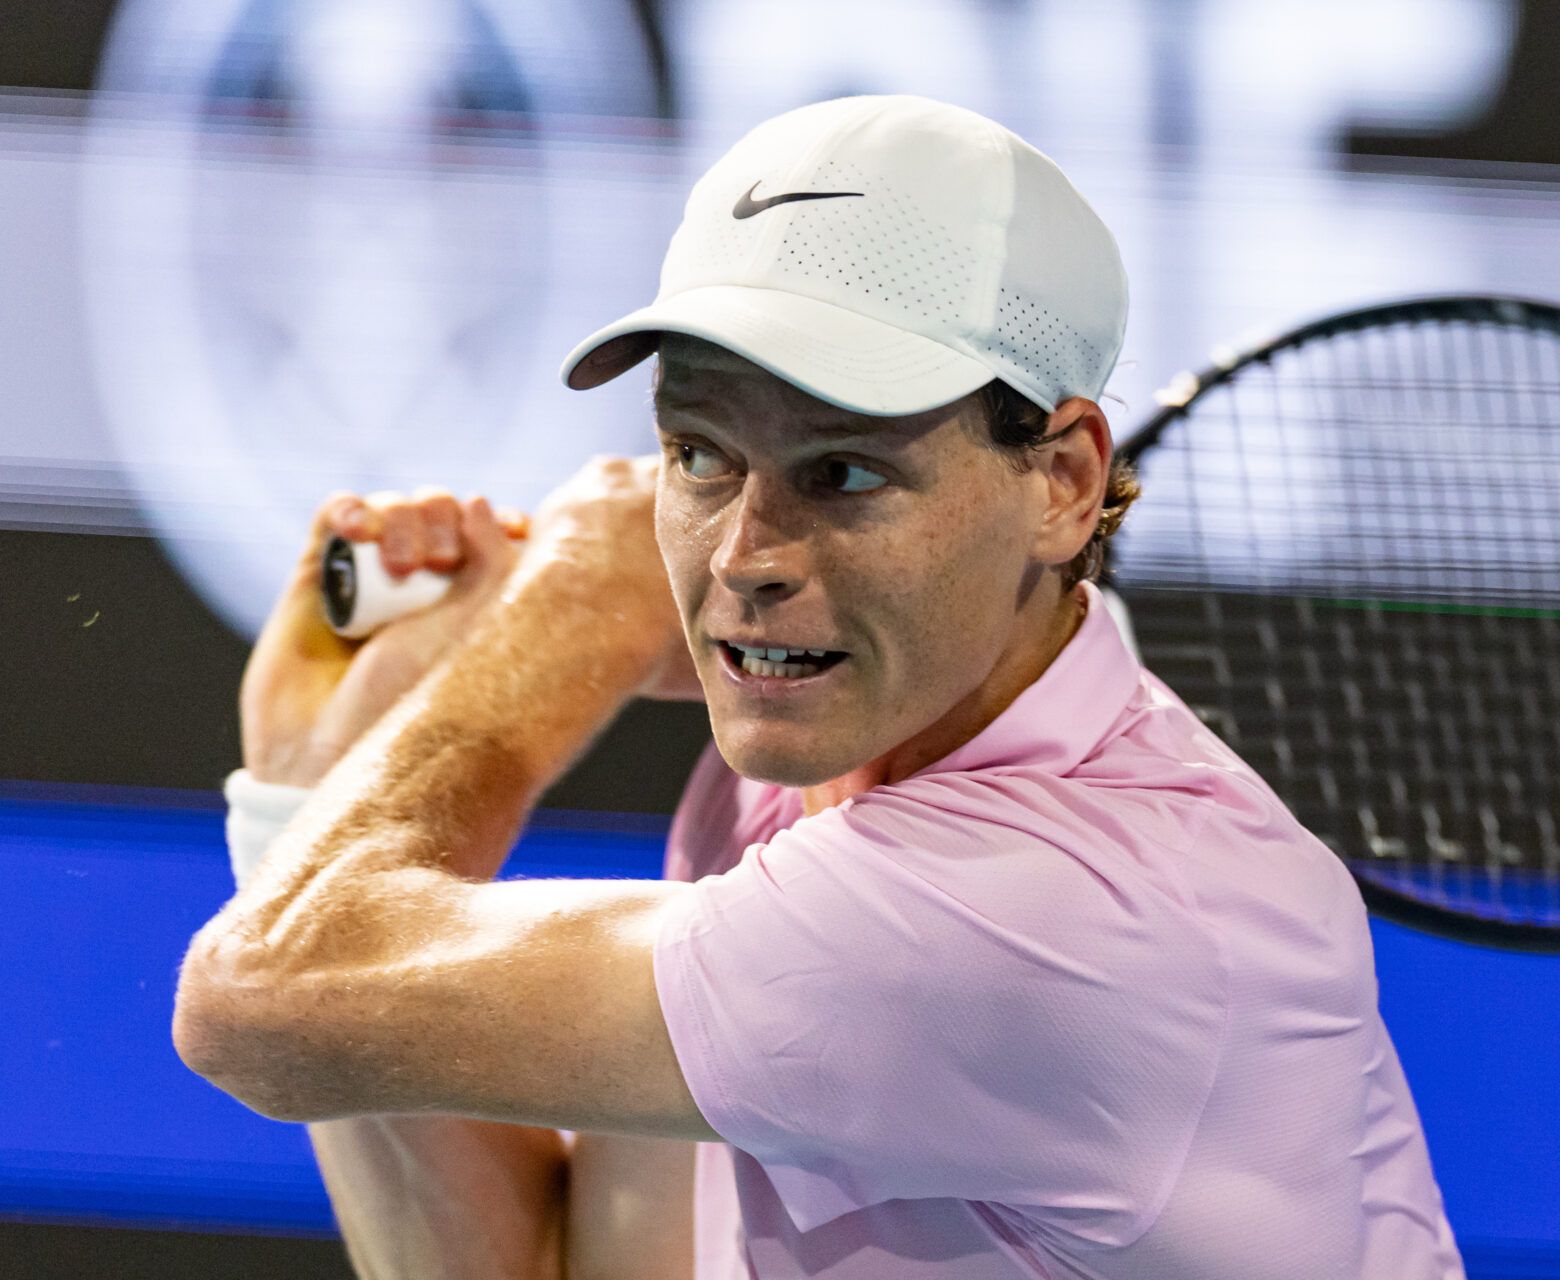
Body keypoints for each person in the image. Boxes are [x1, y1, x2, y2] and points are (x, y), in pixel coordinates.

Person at [175, 95, 1463, 1280]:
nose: (743, 557)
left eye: (844, 471)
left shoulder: (1048, 916)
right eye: (699, 453)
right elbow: (552, 1264)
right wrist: (314, 783)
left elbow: (264, 1004)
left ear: (1062, 482)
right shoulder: (840, 755)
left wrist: (558, 627)